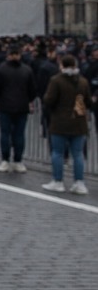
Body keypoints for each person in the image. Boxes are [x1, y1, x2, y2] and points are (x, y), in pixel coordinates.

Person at [41, 54, 91, 195]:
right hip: (79, 121)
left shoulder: (56, 80)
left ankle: (58, 181)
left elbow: (49, 100)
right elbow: (88, 101)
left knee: (57, 152)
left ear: (62, 65)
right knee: (78, 153)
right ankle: (79, 182)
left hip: (60, 121)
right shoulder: (83, 82)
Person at [0, 44, 36, 173]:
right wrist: (28, 100)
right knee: (19, 135)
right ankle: (18, 161)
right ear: (20, 55)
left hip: (5, 105)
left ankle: (5, 160)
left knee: (5, 134)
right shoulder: (27, 70)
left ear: (8, 55)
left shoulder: (1, 69)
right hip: (22, 106)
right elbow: (32, 90)